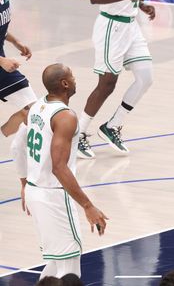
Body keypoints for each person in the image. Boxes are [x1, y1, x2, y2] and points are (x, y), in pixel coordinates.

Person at [10, 63, 108, 279]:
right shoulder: (66, 117)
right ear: (65, 84)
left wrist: (25, 183)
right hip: (54, 197)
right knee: (70, 269)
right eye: (71, 75)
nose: (75, 78)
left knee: (55, 266)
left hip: (36, 193)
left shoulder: (34, 107)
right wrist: (88, 205)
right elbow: (58, 167)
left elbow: (16, 147)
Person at [77, 0, 156, 159]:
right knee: (107, 85)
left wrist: (140, 5)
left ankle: (112, 126)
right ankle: (78, 134)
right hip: (112, 27)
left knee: (145, 78)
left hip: (130, 26)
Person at [0, 0, 39, 138]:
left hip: (3, 65)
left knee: (33, 109)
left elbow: (2, 28)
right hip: (2, 62)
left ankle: (3, 134)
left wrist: (17, 43)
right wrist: (2, 61)